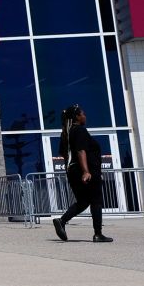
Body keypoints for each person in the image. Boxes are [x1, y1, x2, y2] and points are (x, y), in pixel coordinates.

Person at [52, 104, 112, 243]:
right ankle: (98, 234)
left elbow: (63, 153)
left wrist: (73, 168)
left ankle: (62, 221)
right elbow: (81, 150)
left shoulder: (66, 133)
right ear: (77, 117)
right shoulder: (79, 130)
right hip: (85, 171)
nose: (85, 116)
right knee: (96, 201)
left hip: (73, 171)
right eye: (82, 114)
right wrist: (85, 171)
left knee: (84, 201)